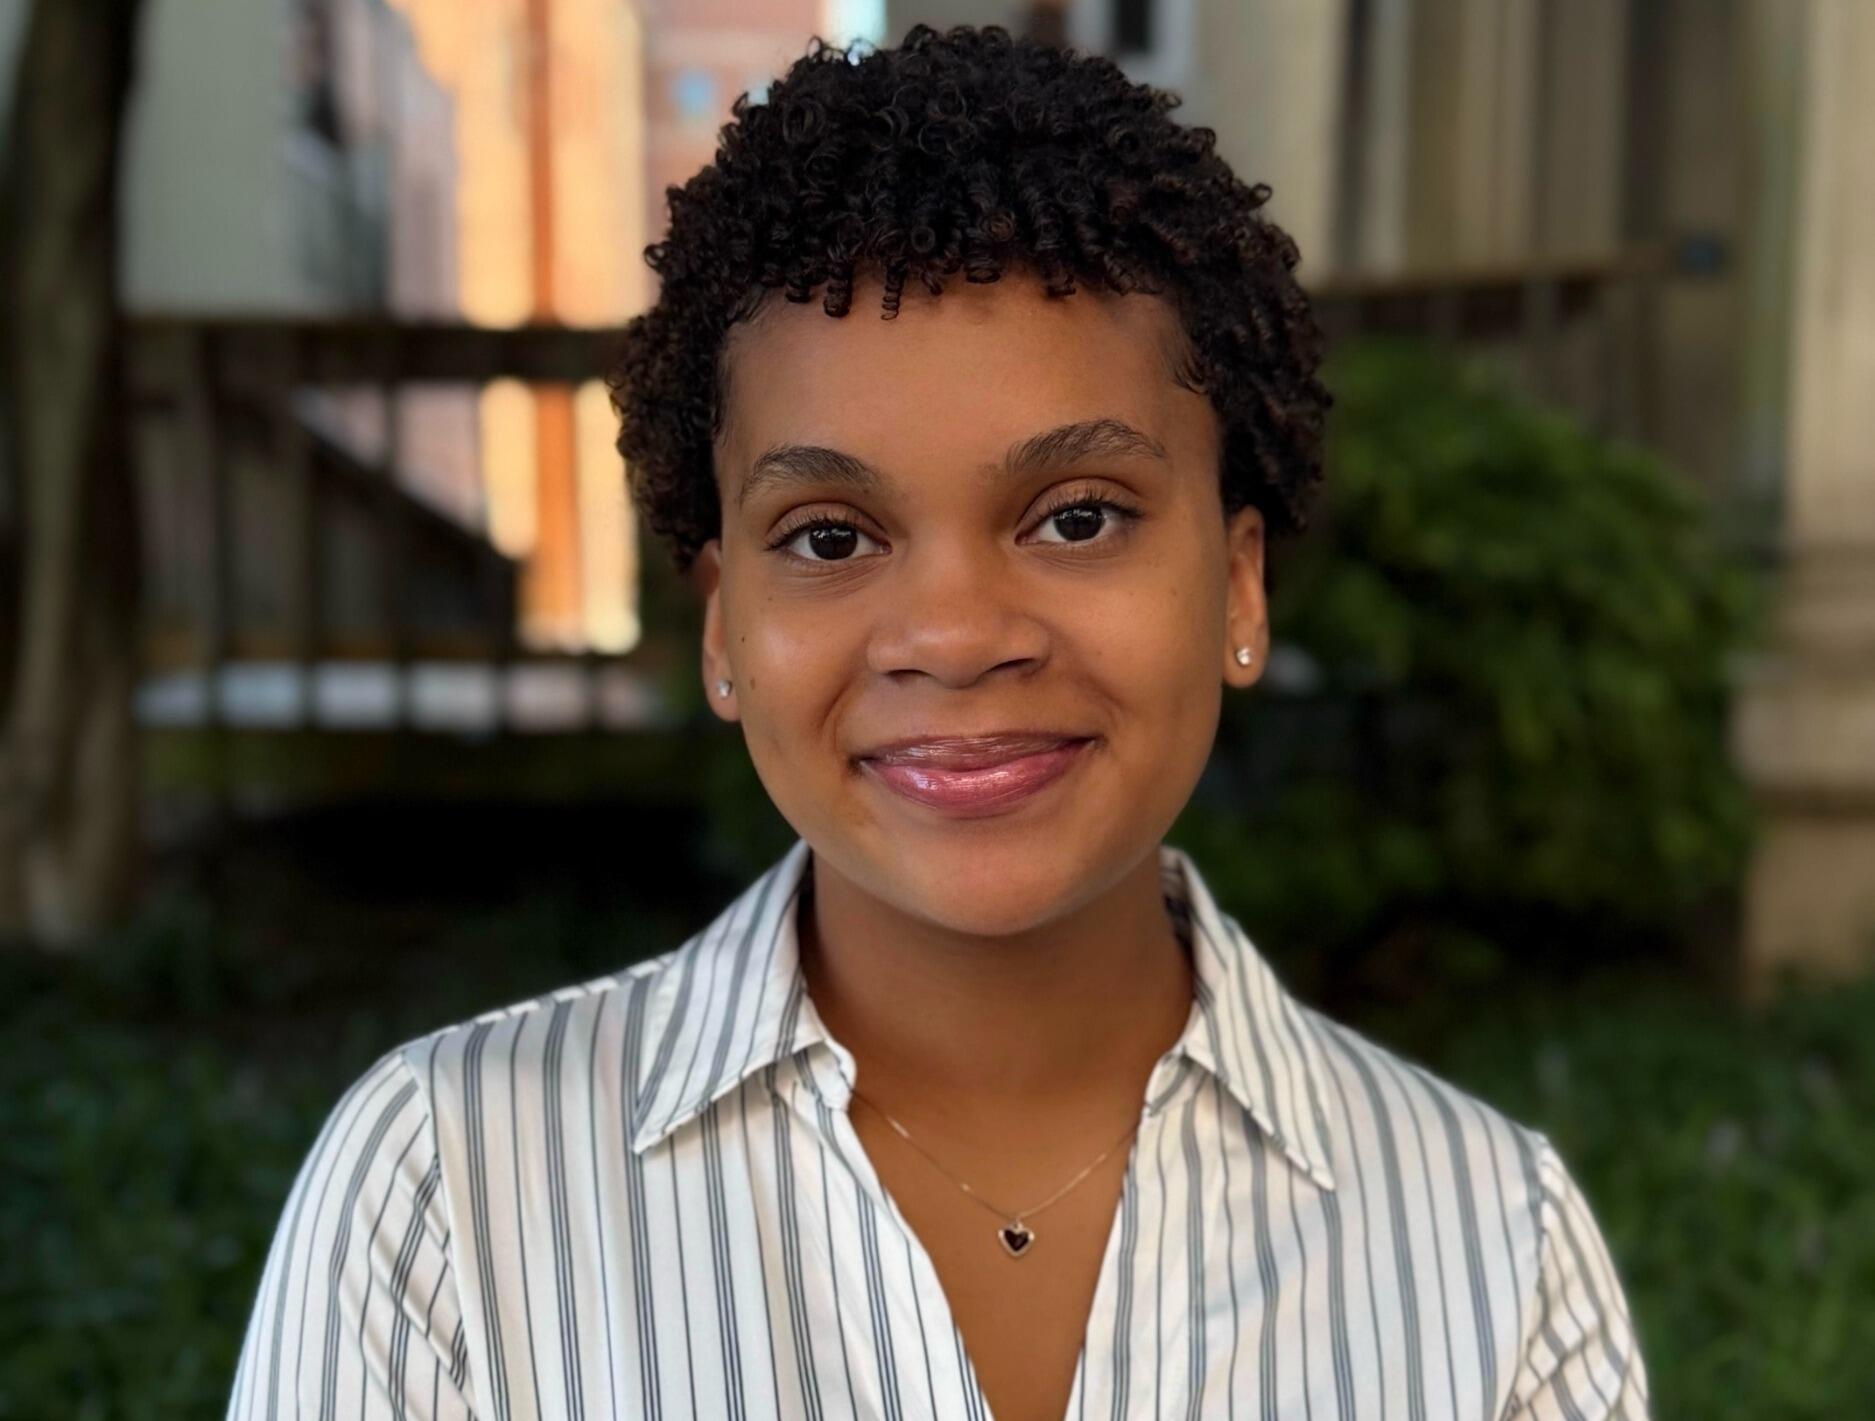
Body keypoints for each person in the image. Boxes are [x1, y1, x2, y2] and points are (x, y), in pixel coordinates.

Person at [226, 23, 1650, 1421]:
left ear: (1239, 579)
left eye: (1077, 515)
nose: (957, 636)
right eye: (831, 536)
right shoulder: (446, 1201)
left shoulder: (1491, 1249)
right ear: (725, 628)